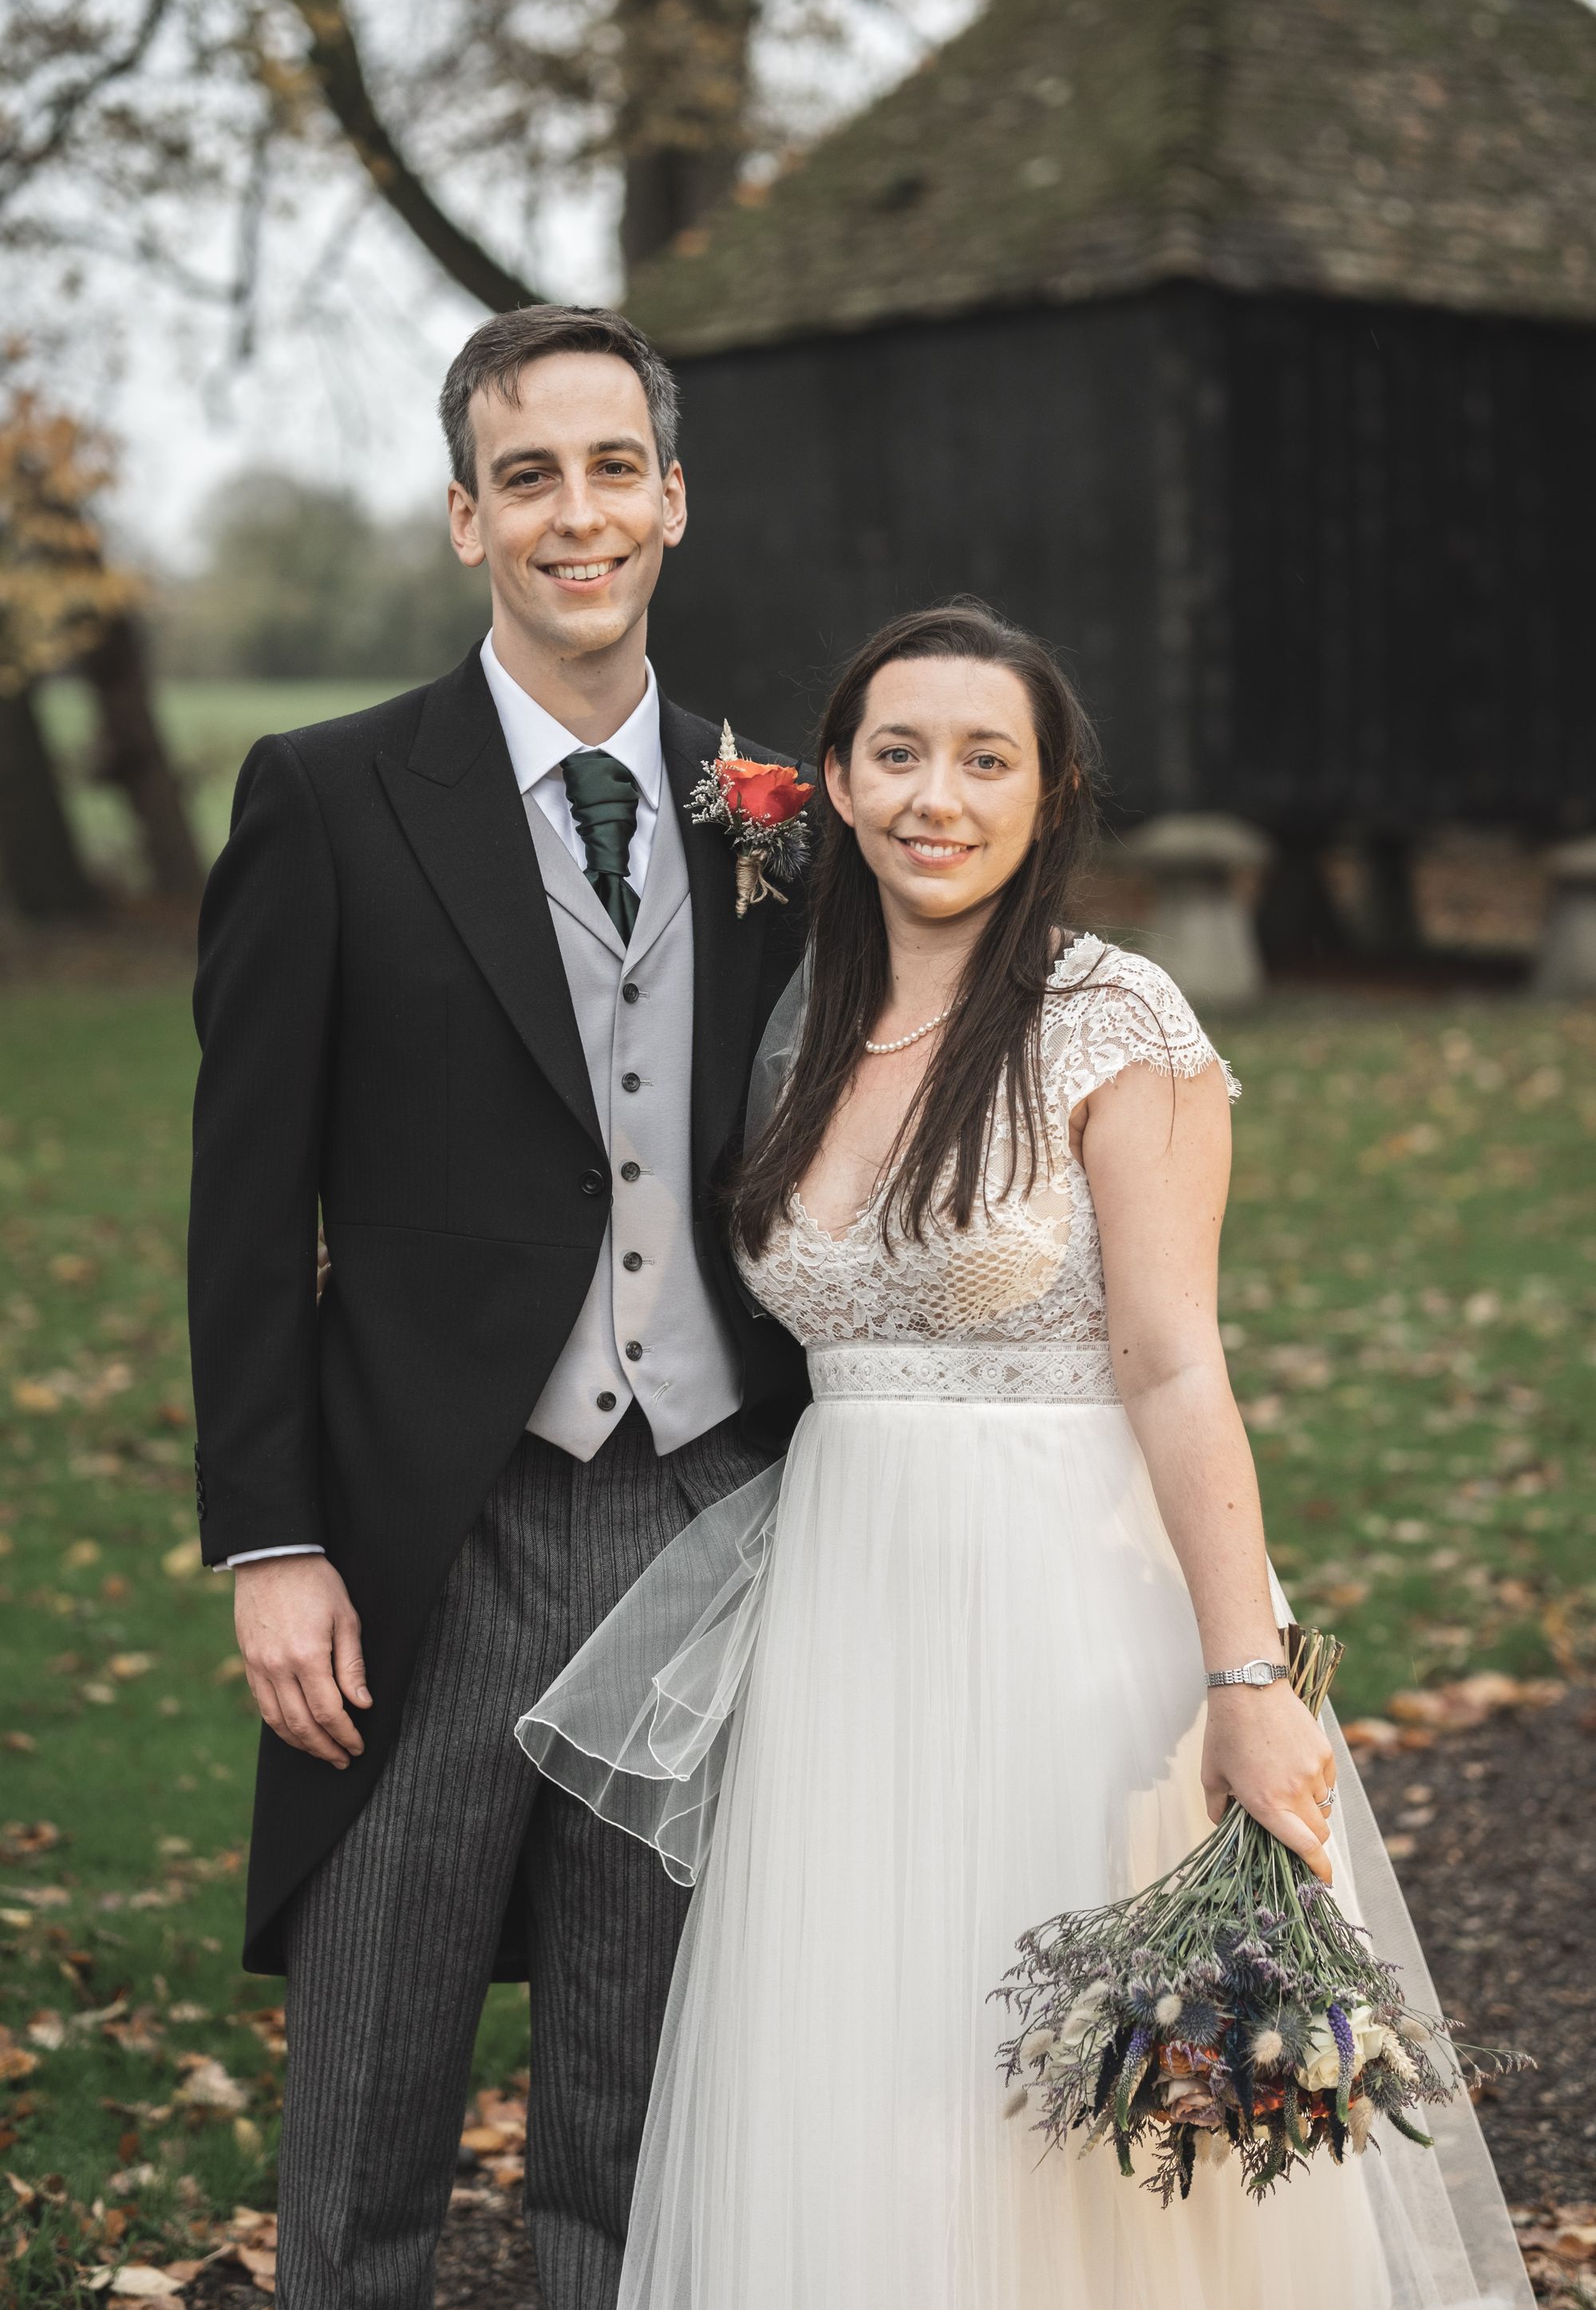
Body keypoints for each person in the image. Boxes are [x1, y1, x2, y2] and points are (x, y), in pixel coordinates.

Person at [519, 603, 1534, 2308]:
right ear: (831, 782)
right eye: (897, 753)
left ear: (1050, 793)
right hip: (844, 1616)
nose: (938, 795)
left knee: (1070, 2080)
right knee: (856, 2038)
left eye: (986, 760)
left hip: (1072, 1602)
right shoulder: (798, 1021)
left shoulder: (1107, 1015)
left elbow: (1173, 1357)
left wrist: (1245, 1672)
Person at [186, 305, 809, 2310]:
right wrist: (272, 1541)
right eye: (526, 475)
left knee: (637, 2121)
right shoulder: (329, 796)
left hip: (704, 1519)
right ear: (467, 519)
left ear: (673, 501)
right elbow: (241, 1205)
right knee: (369, 2102)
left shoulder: (779, 816)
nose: (576, 512)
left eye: (611, 466)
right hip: (419, 1540)